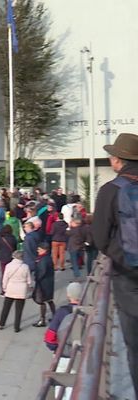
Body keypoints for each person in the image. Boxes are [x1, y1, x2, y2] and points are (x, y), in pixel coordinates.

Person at [93, 133, 138, 398]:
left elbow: (99, 238)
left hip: (128, 278)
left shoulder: (111, 190)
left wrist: (124, 258)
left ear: (118, 160)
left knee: (135, 345)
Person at [0, 251, 33, 332]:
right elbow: (29, 280)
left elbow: (5, 278)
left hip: (11, 288)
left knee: (6, 308)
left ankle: (1, 324)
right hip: (21, 289)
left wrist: (4, 288)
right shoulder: (25, 267)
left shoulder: (9, 266)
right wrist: (29, 287)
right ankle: (16, 327)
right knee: (19, 309)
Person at [32, 243, 56, 327]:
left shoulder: (43, 260)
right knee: (49, 300)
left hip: (43, 283)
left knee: (41, 301)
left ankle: (42, 320)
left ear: (44, 250)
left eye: (39, 249)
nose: (38, 250)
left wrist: (37, 278)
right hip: (49, 282)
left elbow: (42, 271)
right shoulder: (47, 258)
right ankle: (55, 316)